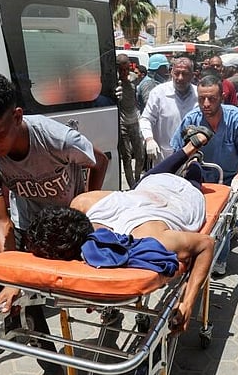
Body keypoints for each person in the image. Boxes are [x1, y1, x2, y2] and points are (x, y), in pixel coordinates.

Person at [0, 69, 109, 375]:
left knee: (91, 291)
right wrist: (10, 278)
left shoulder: (57, 139)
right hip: (28, 227)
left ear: (17, 116)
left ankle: (108, 319)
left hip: (68, 226)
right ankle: (51, 370)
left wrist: (82, 210)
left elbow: (101, 161)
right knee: (26, 303)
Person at [29, 129, 217, 334]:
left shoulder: (149, 237)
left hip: (182, 195)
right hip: (148, 188)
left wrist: (187, 302)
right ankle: (190, 151)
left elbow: (206, 244)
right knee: (144, 182)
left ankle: (195, 161)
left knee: (192, 178)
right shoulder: (83, 203)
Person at [171, 75, 238, 277]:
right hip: (199, 179)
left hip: (227, 179)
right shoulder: (192, 119)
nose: (206, 104)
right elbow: (178, 151)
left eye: (211, 98)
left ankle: (219, 257)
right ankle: (196, 253)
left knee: (222, 219)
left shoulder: (236, 119)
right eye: (201, 99)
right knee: (197, 220)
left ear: (222, 97)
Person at [140, 57, 198, 162]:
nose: (180, 78)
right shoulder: (158, 93)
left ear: (192, 75)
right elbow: (146, 119)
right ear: (171, 72)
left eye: (184, 74)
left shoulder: (199, 95)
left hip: (192, 156)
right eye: (177, 73)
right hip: (164, 157)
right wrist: (149, 139)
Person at [116, 54, 145, 188]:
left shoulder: (134, 78)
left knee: (140, 155)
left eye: (126, 69)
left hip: (134, 121)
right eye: (121, 70)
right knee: (126, 158)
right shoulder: (115, 82)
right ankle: (132, 186)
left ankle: (138, 180)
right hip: (122, 124)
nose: (124, 72)